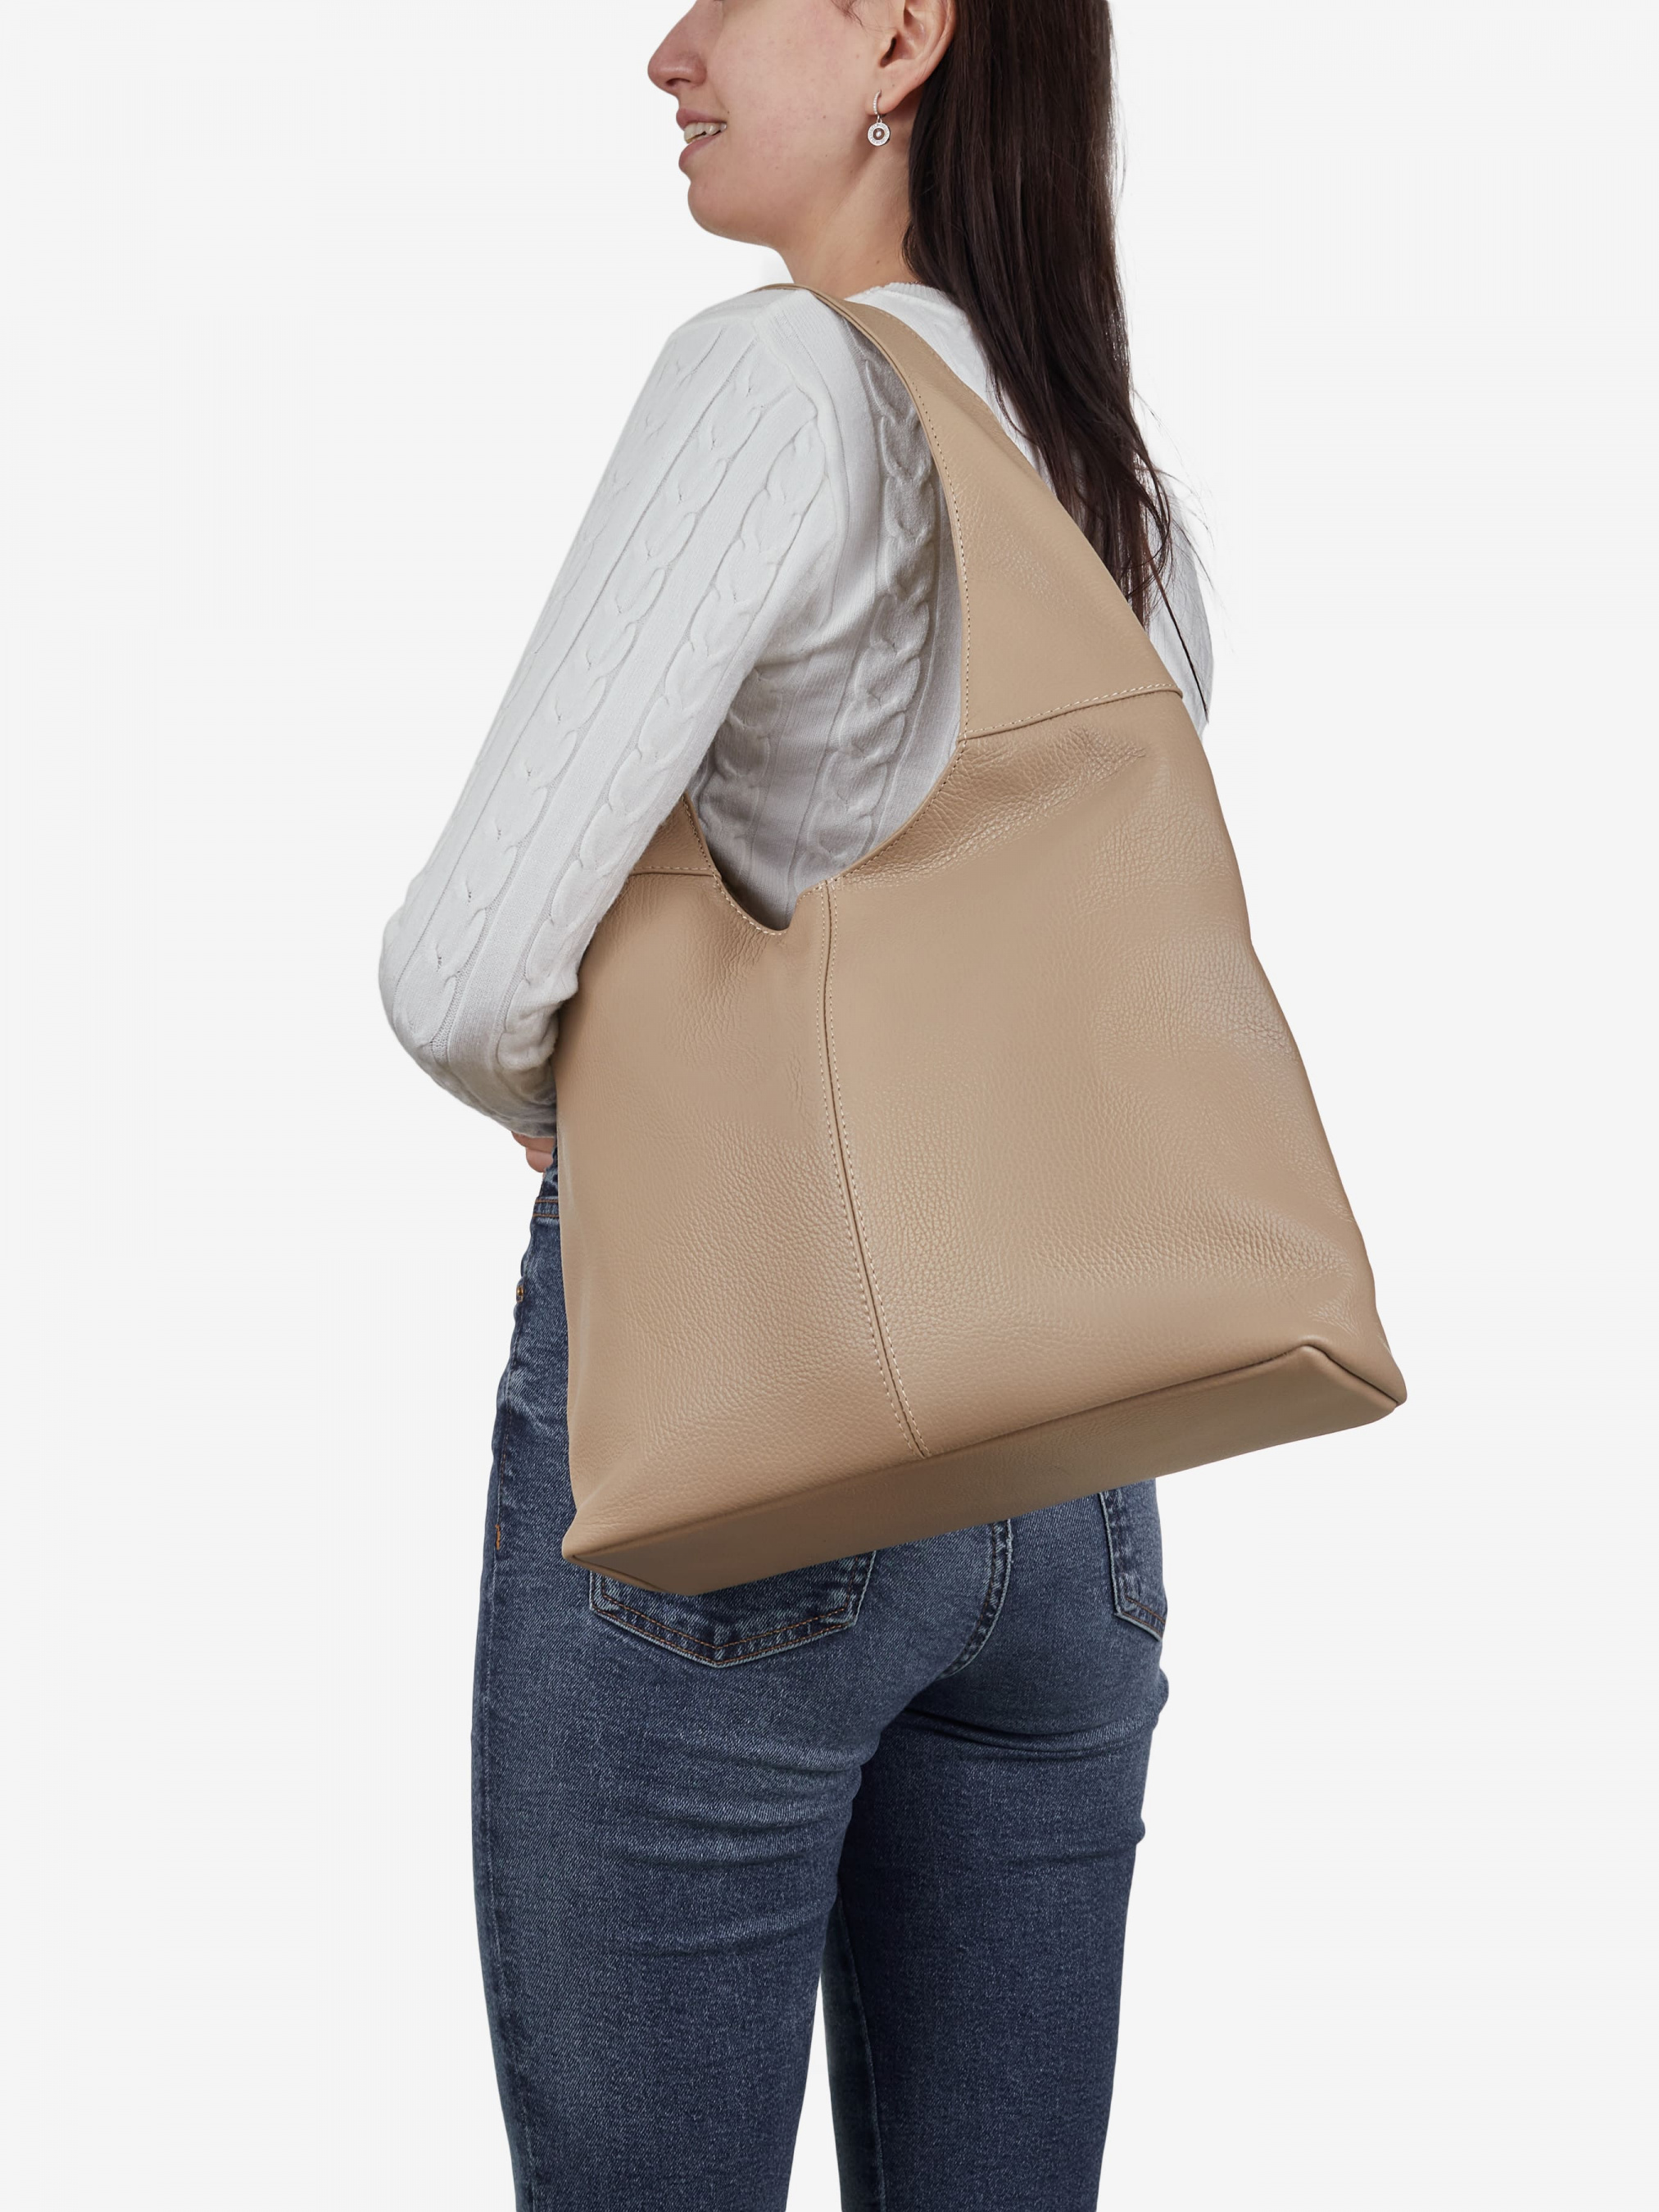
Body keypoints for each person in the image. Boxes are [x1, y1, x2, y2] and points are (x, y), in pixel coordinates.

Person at [378, 2, 1213, 2204]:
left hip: (750, 1443)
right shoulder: (1078, 432)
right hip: (1076, 1469)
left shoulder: (774, 381)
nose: (666, 50)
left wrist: (565, 1097)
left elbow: (461, 964)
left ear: (899, 35)